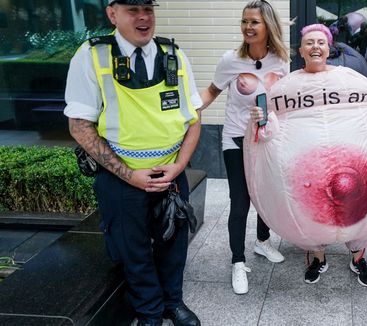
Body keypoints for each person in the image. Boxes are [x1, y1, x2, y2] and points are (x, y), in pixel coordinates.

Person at [63, 1, 202, 325]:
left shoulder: (174, 54)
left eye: (148, 9)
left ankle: (173, 303)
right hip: (122, 178)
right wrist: (130, 175)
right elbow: (79, 125)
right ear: (113, 14)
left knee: (174, 244)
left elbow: (195, 118)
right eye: (133, 9)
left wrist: (180, 166)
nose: (143, 17)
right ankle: (150, 313)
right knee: (132, 249)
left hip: (171, 172)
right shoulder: (92, 56)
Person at [250, 23, 367, 287]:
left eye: (320, 42)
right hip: (307, 169)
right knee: (308, 212)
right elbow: (272, 130)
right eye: (309, 43)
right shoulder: (287, 86)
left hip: (349, 165)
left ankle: (358, 258)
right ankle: (318, 258)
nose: (315, 47)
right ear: (300, 50)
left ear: (329, 49)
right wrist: (261, 121)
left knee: (360, 210)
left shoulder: (349, 79)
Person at [198, 0, 289, 295]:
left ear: (268, 27)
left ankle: (262, 242)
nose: (247, 27)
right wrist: (188, 112)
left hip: (267, 139)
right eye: (244, 21)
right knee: (241, 201)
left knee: (266, 194)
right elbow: (211, 92)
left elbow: (287, 102)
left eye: (254, 22)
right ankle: (238, 261)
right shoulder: (230, 60)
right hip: (236, 139)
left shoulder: (282, 60)